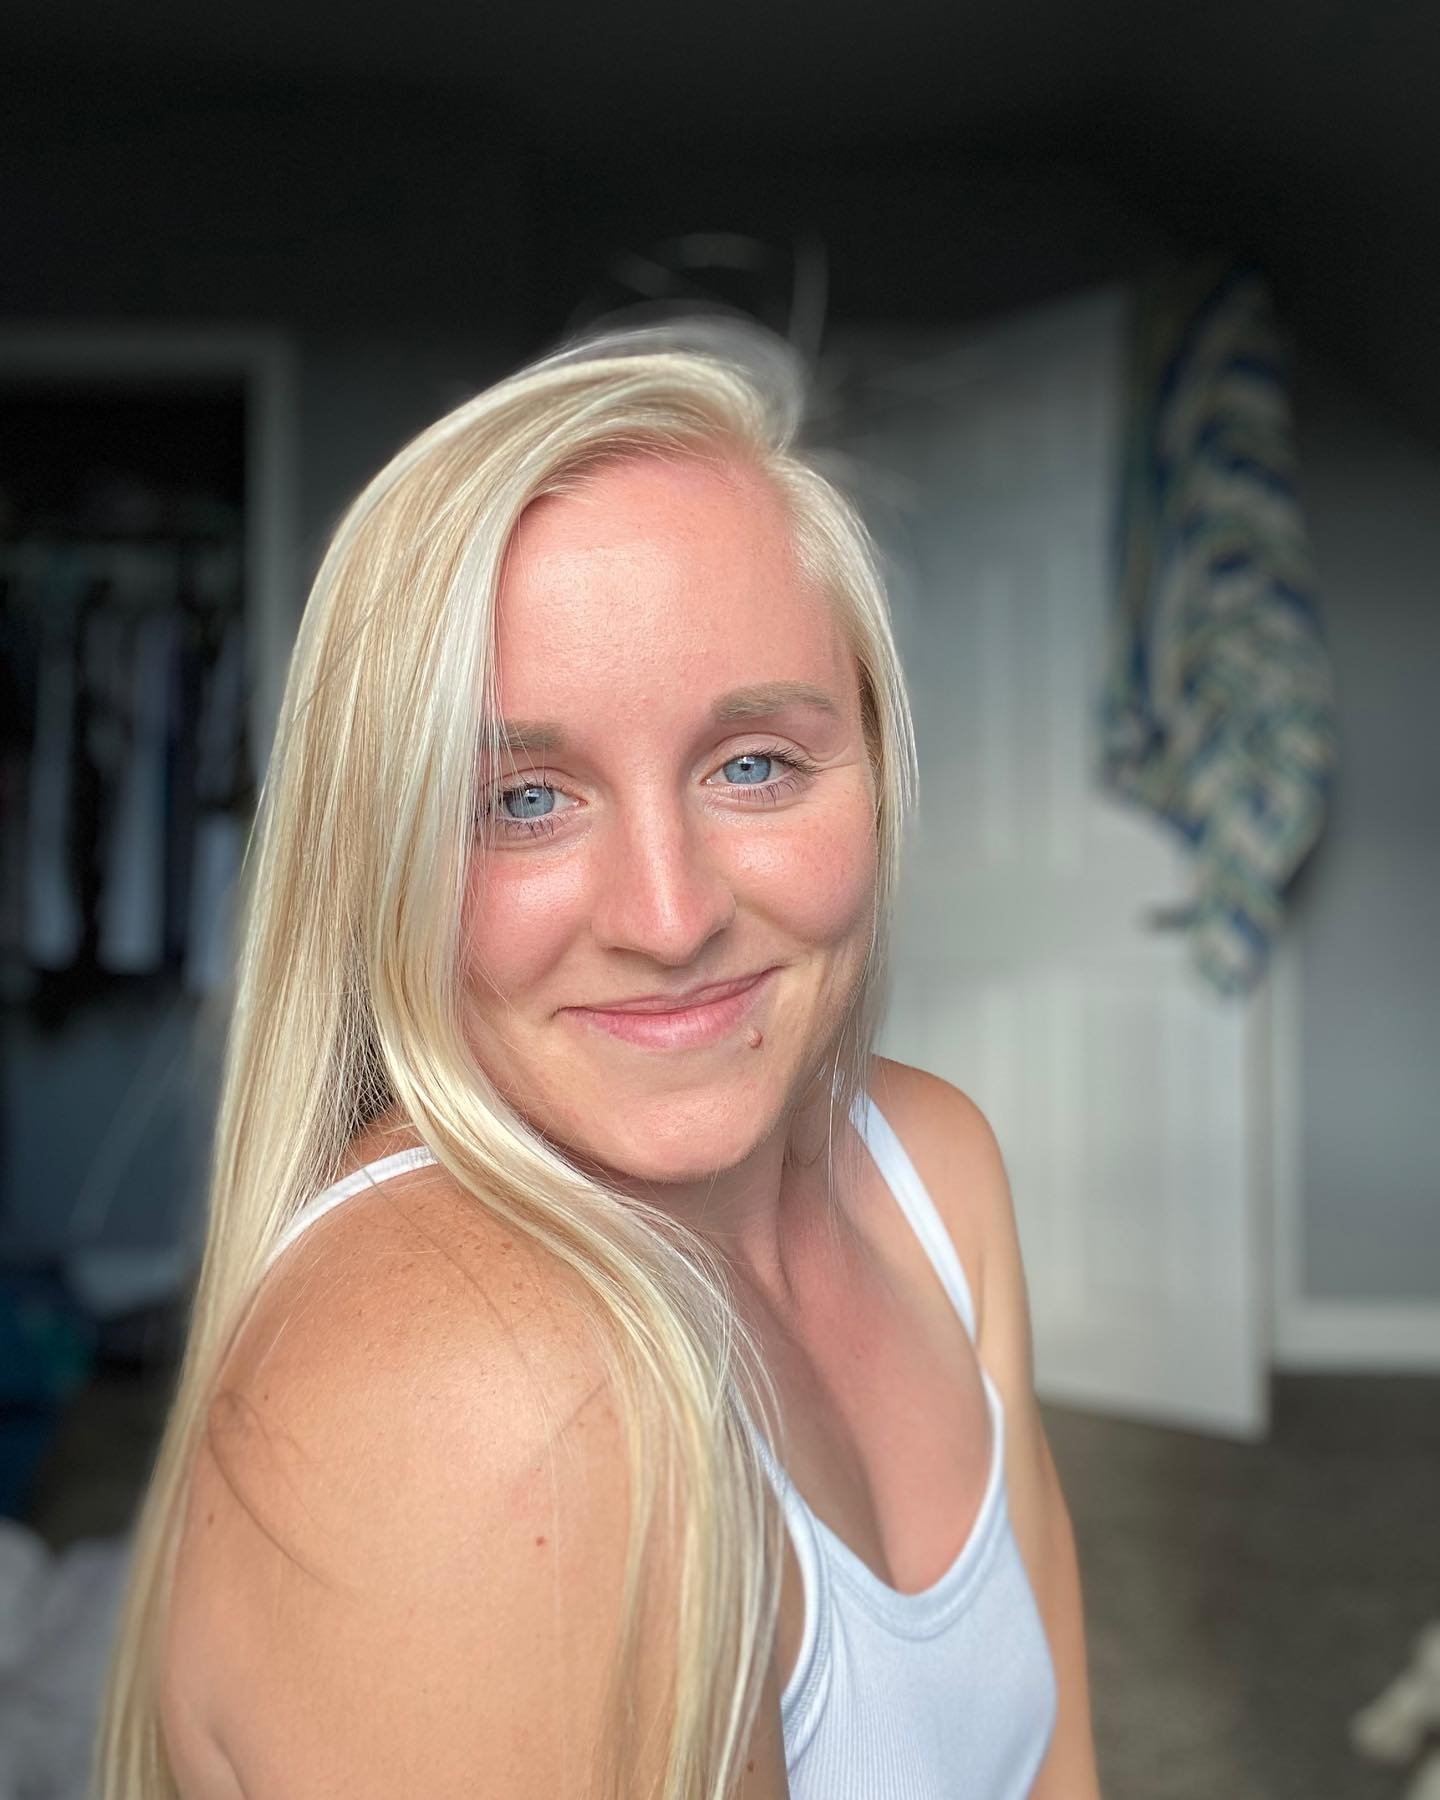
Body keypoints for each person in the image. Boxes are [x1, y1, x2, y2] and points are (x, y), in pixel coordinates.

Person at [94, 326, 1102, 1798]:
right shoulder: (486, 1399)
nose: (670, 917)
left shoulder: (932, 1175)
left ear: (878, 771)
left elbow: (1057, 1768)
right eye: (524, 799)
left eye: (752, 765)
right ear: (381, 858)